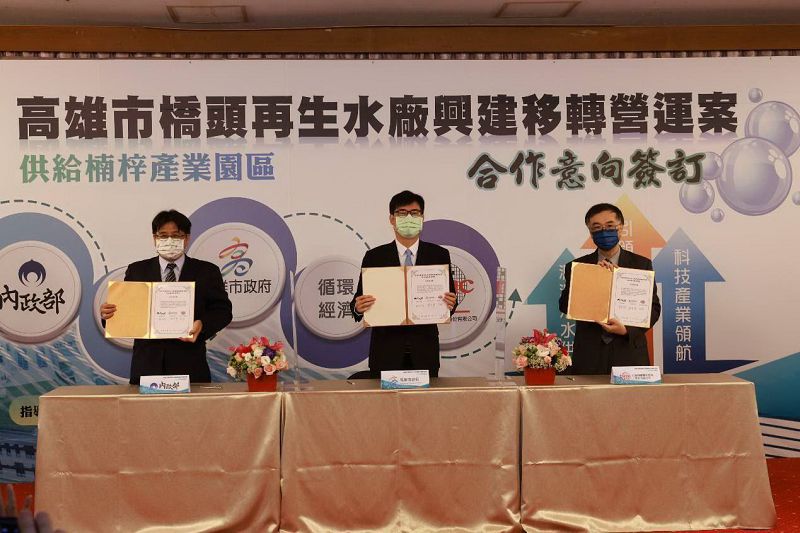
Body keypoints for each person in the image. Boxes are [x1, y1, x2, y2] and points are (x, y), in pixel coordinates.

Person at [100, 210, 232, 383]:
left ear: (186, 238)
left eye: (176, 235)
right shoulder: (137, 270)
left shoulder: (207, 271)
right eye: (163, 236)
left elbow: (223, 311)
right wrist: (108, 315)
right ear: (154, 238)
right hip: (147, 366)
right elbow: (126, 312)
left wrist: (202, 325)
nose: (169, 241)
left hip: (190, 364)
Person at [350, 191, 457, 378]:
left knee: (424, 398)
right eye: (402, 213)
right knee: (386, 398)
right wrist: (359, 308)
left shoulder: (438, 254)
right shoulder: (375, 257)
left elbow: (451, 301)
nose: (409, 218)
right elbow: (356, 304)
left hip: (424, 350)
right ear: (392, 219)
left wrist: (450, 303)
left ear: (422, 218)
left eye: (415, 213)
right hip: (385, 351)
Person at [558, 203, 661, 374]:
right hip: (589, 353)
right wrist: (591, 279)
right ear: (590, 232)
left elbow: (653, 309)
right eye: (597, 228)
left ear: (621, 228)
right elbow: (564, 306)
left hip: (629, 351)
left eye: (610, 226)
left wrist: (626, 330)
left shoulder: (641, 264)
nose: (604, 232)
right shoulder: (578, 266)